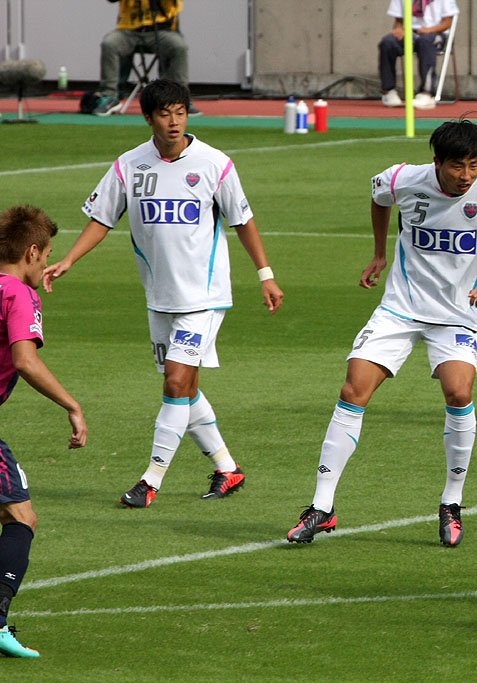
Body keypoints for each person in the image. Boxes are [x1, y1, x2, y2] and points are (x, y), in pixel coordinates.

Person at [285, 119, 477, 547]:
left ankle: (451, 502)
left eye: (474, 165)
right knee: (353, 389)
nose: (466, 175)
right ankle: (321, 507)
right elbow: (378, 196)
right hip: (399, 308)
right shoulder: (403, 178)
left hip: (457, 314)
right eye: (457, 165)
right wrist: (379, 253)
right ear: (436, 162)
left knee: (459, 392)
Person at [44, 79, 283, 508]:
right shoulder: (129, 166)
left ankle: (150, 481)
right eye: (165, 114)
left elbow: (242, 221)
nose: (174, 122)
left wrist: (265, 275)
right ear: (148, 117)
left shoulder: (214, 163)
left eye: (180, 113)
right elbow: (102, 218)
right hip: (159, 297)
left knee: (175, 382)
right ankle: (227, 468)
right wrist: (69, 260)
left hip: (204, 297)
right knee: (185, 388)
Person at [0, 205, 88, 658]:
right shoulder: (18, 293)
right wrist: (72, 405)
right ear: (32, 252)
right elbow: (25, 360)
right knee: (21, 518)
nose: (47, 262)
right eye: (48, 253)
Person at [92, 0, 197, 117]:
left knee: (179, 46)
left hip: (162, 29)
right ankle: (109, 95)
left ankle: (180, 99)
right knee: (110, 43)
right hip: (128, 30)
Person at [379, 0, 459, 110]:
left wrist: (429, 30)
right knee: (387, 43)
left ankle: (427, 93)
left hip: (436, 32)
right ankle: (388, 91)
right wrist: (398, 29)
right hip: (410, 32)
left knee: (425, 41)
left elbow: (447, 22)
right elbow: (399, 21)